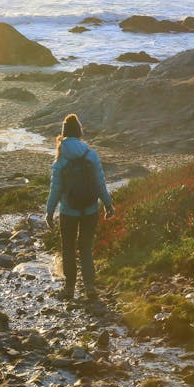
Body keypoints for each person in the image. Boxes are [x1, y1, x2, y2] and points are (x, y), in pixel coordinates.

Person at [45, 114, 114, 301]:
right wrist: (108, 204)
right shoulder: (91, 154)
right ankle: (90, 287)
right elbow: (100, 183)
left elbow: (56, 188)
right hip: (91, 209)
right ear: (80, 133)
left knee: (68, 248)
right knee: (86, 247)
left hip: (68, 211)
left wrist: (49, 212)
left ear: (64, 133)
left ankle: (69, 289)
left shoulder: (60, 158)